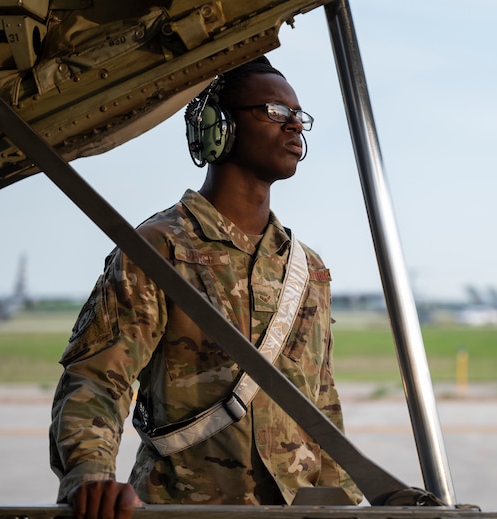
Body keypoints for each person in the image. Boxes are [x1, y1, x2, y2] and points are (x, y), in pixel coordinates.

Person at [49, 55, 362, 518]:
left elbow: (323, 405)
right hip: (183, 510)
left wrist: (347, 504)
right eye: (275, 112)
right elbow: (98, 376)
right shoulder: (160, 249)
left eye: (299, 116)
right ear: (221, 128)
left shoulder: (306, 268)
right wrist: (90, 475)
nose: (295, 125)